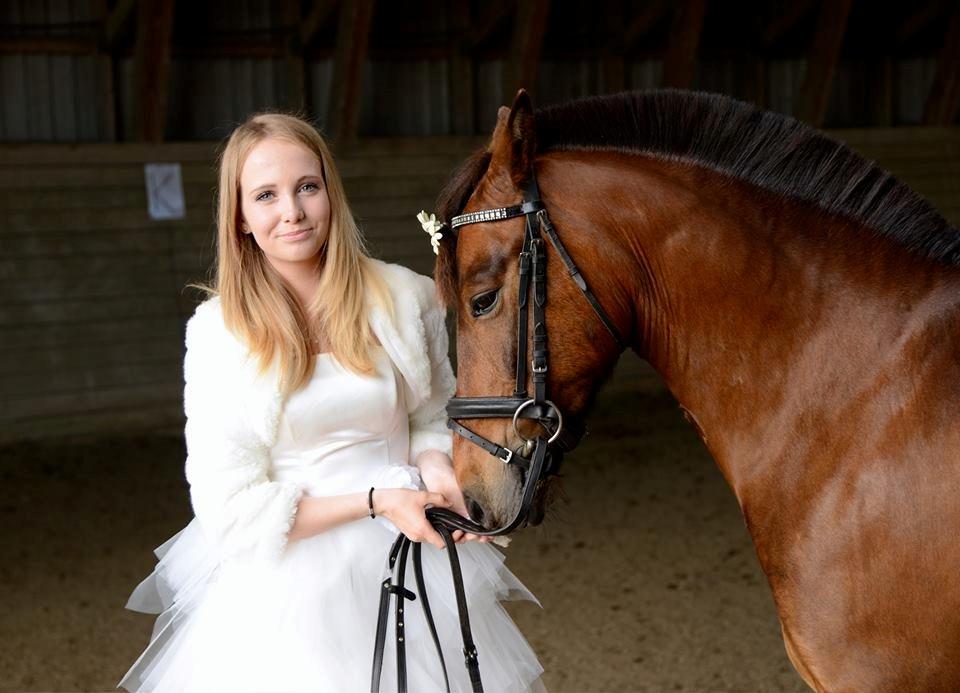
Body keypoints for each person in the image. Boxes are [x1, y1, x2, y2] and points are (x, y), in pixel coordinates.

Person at [117, 113, 544, 692]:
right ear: (240, 217)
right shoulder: (218, 334)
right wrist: (374, 501)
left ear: (329, 192)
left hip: (410, 558)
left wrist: (439, 473)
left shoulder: (403, 296)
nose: (291, 211)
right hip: (289, 586)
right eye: (265, 195)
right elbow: (232, 510)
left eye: (306, 187)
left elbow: (427, 418)